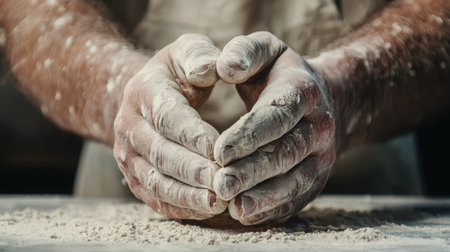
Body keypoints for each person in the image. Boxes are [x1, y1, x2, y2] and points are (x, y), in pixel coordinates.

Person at [0, 0, 448, 225]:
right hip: (129, 175)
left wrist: (347, 90)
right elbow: (28, 10)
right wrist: (114, 88)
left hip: (360, 170)